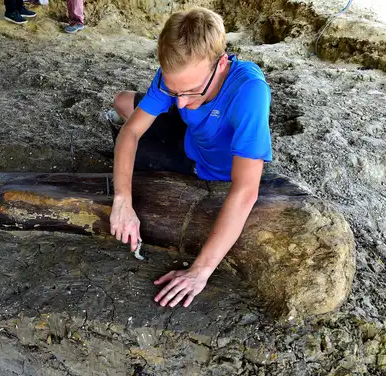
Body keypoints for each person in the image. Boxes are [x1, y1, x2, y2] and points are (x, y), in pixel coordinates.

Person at [107, 7, 272, 309]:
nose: (182, 102)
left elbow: (246, 190)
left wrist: (200, 270)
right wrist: (122, 200)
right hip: (191, 137)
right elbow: (130, 133)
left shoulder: (250, 91)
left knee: (138, 150)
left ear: (221, 63)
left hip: (207, 168)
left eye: (193, 91)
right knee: (122, 102)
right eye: (174, 90)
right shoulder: (179, 79)